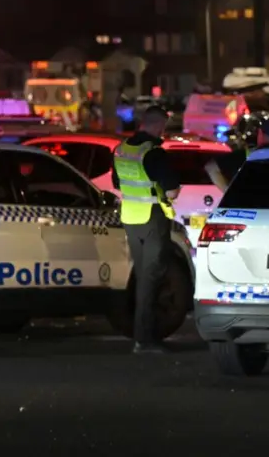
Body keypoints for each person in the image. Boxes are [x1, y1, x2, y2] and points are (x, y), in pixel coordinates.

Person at [111, 105, 181, 353]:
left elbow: (118, 184)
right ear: (158, 125)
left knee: (143, 277)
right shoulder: (153, 152)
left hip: (131, 218)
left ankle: (141, 333)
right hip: (152, 219)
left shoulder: (120, 150)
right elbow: (172, 190)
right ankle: (145, 339)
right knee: (152, 278)